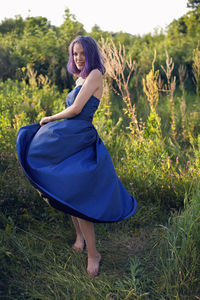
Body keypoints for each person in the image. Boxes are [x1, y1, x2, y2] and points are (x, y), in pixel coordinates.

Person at [16, 36, 137, 277]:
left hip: (80, 139)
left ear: (91, 54)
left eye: (82, 53)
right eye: (74, 54)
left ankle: (94, 254)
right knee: (64, 189)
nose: (78, 58)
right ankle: (79, 236)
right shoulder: (79, 76)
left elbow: (76, 109)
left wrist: (50, 118)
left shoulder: (95, 75)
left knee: (79, 195)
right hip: (68, 138)